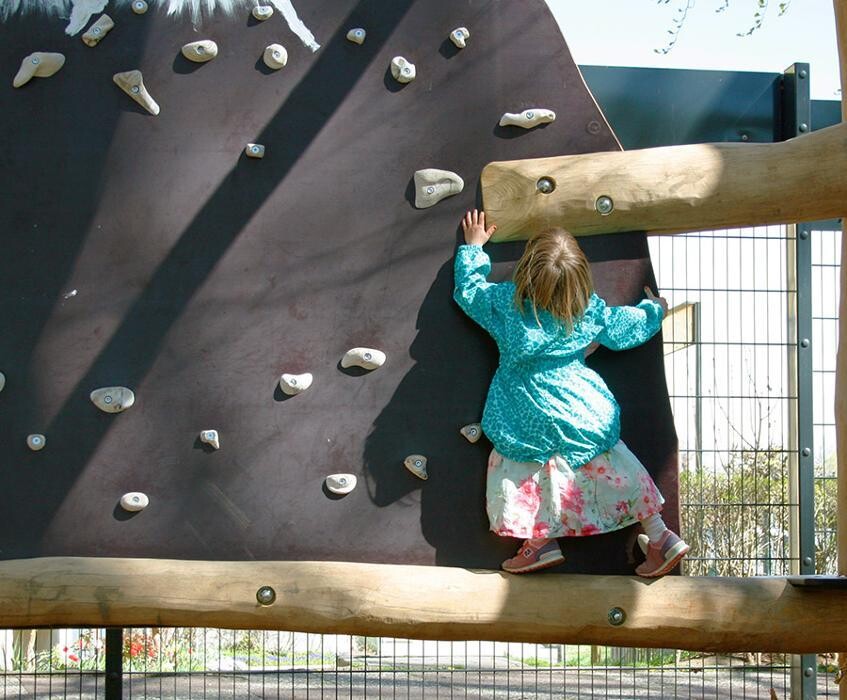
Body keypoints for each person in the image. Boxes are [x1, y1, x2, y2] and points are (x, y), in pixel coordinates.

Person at [453, 209, 689, 577]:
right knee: (612, 463)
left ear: (527, 271)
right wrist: (654, 310)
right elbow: (624, 328)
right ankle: (659, 536)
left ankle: (539, 543)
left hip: (522, 407)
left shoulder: (507, 306)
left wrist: (473, 249)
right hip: (580, 407)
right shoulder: (586, 311)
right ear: (579, 279)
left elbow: (469, 293)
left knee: (520, 468)